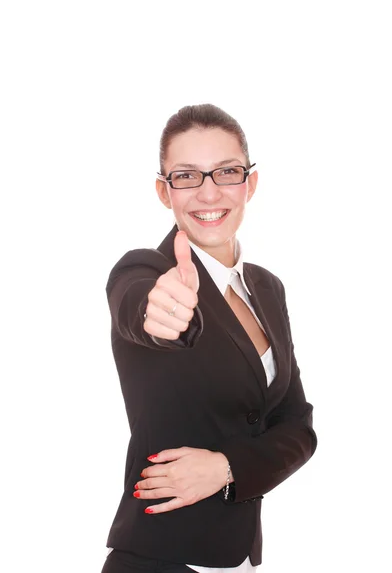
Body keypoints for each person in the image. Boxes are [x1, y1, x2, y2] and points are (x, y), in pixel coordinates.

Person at [101, 104, 317, 573]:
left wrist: (228, 468)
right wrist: (157, 313)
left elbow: (297, 426)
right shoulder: (145, 271)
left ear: (250, 183)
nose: (208, 192)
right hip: (159, 556)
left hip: (238, 558)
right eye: (186, 176)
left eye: (226, 171)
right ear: (164, 191)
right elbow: (136, 306)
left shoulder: (267, 288)